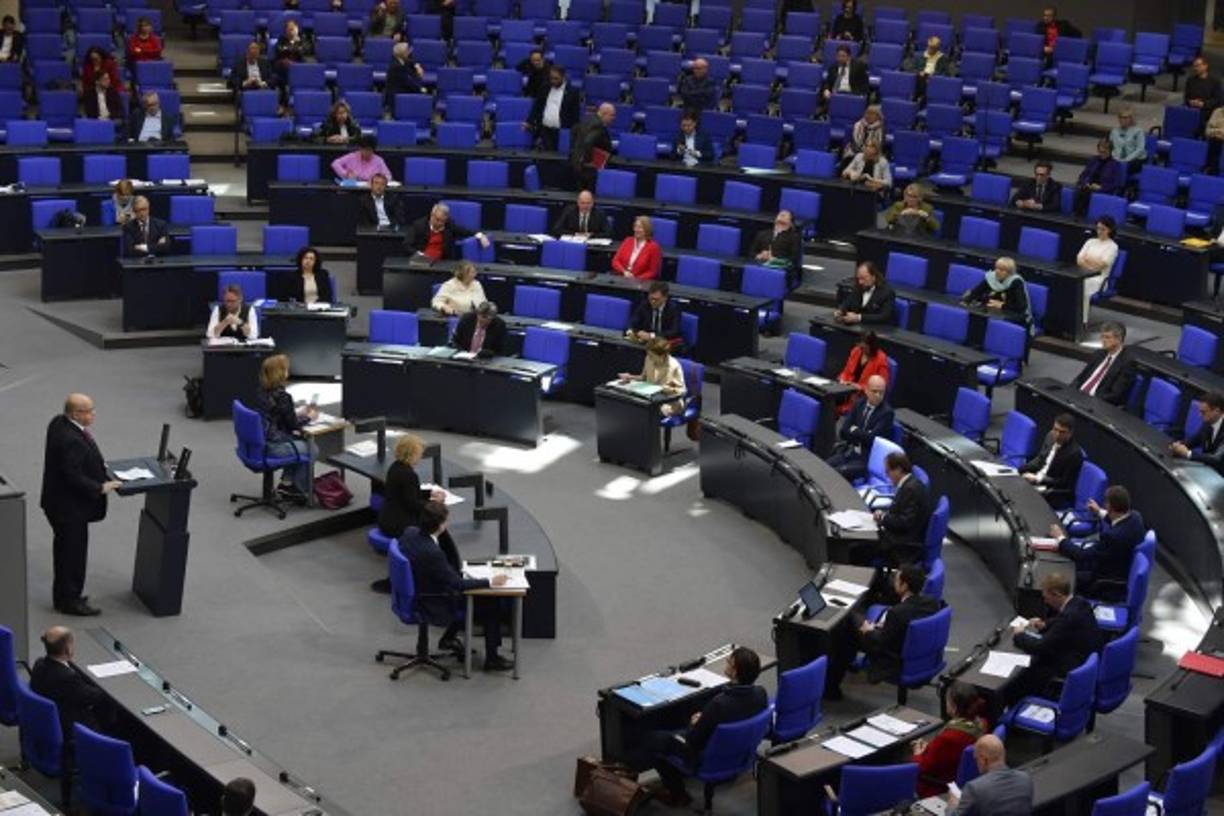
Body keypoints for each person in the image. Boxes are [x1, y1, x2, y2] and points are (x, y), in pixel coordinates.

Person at [628, 647, 768, 807]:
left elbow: (693, 741)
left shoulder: (719, 704)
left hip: (703, 757)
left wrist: (694, 722)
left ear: (735, 672)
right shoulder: (760, 693)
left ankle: (678, 794)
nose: (726, 663)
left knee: (652, 739)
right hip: (737, 753)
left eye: (729, 662)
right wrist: (706, 718)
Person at [403, 502, 514, 671]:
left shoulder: (410, 533)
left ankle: (448, 638)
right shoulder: (433, 553)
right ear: (440, 526)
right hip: (433, 600)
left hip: (419, 588)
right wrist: (490, 582)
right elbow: (457, 585)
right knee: (491, 602)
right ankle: (492, 659)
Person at [40, 394, 121, 616]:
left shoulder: (58, 422)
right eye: (89, 410)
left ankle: (65, 595)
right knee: (72, 555)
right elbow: (72, 475)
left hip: (56, 503)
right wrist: (99, 488)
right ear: (75, 414)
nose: (93, 414)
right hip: (69, 509)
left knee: (65, 551)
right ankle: (70, 601)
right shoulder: (71, 440)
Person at [826, 565, 938, 698]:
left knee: (848, 630)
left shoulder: (897, 613)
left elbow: (880, 644)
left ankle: (831, 687)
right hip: (916, 652)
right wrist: (882, 627)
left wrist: (869, 631)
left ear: (904, 585)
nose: (893, 583)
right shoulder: (931, 603)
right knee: (854, 620)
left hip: (892, 658)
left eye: (896, 580)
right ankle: (843, 671)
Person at [371, 433, 459, 593]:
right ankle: (444, 571)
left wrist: (430, 494)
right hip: (397, 523)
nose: (420, 457)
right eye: (418, 453)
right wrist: (434, 504)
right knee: (435, 527)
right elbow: (412, 504)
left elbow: (408, 493)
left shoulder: (396, 467)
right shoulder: (409, 474)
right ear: (410, 454)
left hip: (387, 517)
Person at [1007, 572, 1100, 705]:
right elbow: (1061, 620)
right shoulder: (1079, 602)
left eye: (1046, 598)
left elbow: (1040, 646)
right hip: (1086, 658)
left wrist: (1019, 635)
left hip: (1071, 665)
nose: (1045, 601)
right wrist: (1044, 624)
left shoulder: (1068, 618)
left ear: (1057, 595)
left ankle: (1014, 705)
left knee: (1024, 676)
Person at [1052, 485, 1144, 596]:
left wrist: (1060, 538)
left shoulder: (1112, 537)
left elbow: (1082, 556)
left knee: (1061, 578)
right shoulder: (1135, 517)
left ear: (1109, 506)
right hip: (1119, 567)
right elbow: (1118, 521)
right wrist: (1099, 511)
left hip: (1103, 582)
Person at [30, 627, 113, 734]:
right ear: (67, 649)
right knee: (109, 704)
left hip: (48, 719)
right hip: (71, 727)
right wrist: (107, 685)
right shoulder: (67, 678)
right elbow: (93, 696)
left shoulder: (39, 664)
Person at [255, 354, 316, 500]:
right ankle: (298, 490)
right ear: (281, 373)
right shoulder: (283, 397)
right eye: (286, 369)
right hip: (273, 445)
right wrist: (309, 417)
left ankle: (287, 483)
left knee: (297, 442)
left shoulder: (261, 391)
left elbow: (277, 416)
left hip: (261, 441)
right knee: (312, 449)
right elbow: (293, 426)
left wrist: (296, 413)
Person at [910, 683, 986, 797]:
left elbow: (922, 768)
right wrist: (931, 748)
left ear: (954, 707)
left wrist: (917, 753)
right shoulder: (982, 723)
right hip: (960, 773)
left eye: (947, 701)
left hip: (938, 786)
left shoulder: (949, 738)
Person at [867, 453, 932, 566]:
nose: (887, 476)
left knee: (859, 548)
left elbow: (905, 523)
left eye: (888, 472)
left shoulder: (910, 490)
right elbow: (901, 513)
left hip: (901, 546)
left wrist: (883, 518)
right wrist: (884, 515)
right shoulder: (909, 484)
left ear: (898, 469)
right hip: (899, 537)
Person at [827, 374, 893, 481]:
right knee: (825, 467)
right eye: (875, 391)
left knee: (836, 474)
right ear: (866, 390)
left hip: (865, 460)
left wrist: (855, 430)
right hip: (849, 452)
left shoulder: (887, 413)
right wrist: (862, 434)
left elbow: (872, 439)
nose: (878, 395)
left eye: (881, 393)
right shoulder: (859, 404)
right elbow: (843, 431)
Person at [950, 735, 1033, 816]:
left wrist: (953, 804)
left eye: (976, 759)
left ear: (983, 760)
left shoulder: (974, 787)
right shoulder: (1025, 779)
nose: (976, 763)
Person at [1020, 414, 1084, 507]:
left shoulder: (1074, 454)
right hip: (1037, 478)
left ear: (1070, 433)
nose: (1057, 435)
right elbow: (1040, 459)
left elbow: (1064, 483)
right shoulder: (1050, 436)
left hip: (1051, 491)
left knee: (1021, 497)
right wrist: (1020, 469)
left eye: (1062, 432)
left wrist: (1038, 479)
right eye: (1055, 429)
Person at [1069, 321, 1136, 405]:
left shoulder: (1127, 363)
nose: (1102, 340)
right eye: (1102, 337)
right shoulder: (1099, 353)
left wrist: (1089, 400)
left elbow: (1114, 395)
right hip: (1078, 396)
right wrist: (1069, 391)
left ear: (1118, 339)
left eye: (1107, 337)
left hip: (1096, 403)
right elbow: (1081, 377)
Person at [618, 338, 687, 416]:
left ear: (663, 356)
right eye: (648, 354)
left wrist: (664, 388)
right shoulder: (648, 359)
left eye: (651, 355)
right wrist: (630, 377)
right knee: (632, 406)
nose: (649, 357)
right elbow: (643, 378)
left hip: (670, 402)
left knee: (648, 413)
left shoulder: (674, 366)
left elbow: (681, 391)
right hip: (650, 398)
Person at [960, 258, 1032, 328]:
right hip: (994, 311)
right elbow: (977, 291)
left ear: (1010, 272)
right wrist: (967, 301)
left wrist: (1002, 305)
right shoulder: (992, 277)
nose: (997, 271)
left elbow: (1021, 307)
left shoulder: (1016, 282)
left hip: (1012, 314)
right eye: (996, 268)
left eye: (1002, 270)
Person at [404, 202, 489, 260]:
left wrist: (480, 235)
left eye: (443, 221)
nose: (440, 223)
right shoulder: (419, 225)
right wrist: (419, 255)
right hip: (422, 261)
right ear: (432, 216)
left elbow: (465, 231)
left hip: (442, 262)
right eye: (438, 220)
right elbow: (407, 245)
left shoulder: (449, 225)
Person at [526, 65, 580, 151]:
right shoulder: (544, 87)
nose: (553, 81)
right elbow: (537, 107)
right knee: (546, 158)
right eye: (551, 78)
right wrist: (529, 121)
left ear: (563, 77)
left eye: (556, 78)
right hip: (545, 130)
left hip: (561, 132)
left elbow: (575, 114)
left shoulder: (573, 92)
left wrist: (573, 133)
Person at [1076, 216, 1119, 322]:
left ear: (1110, 230)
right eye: (1098, 228)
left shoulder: (1113, 246)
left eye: (1103, 229)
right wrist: (1091, 263)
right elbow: (1079, 259)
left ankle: (1082, 321)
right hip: (1082, 274)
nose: (1099, 231)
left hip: (1099, 279)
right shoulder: (1090, 241)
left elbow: (1102, 265)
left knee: (1082, 286)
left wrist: (1087, 260)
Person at [835, 330, 890, 413]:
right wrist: (843, 380)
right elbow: (846, 372)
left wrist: (860, 387)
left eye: (864, 347)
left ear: (872, 346)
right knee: (828, 402)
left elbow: (881, 387)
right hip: (847, 391)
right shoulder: (856, 351)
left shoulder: (881, 360)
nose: (861, 349)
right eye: (860, 346)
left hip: (863, 398)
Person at [1170, 390, 1224, 472]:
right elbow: (1192, 441)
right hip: (1207, 470)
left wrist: (1188, 453)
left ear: (1217, 411)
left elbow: (1217, 459)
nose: (1200, 415)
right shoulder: (1208, 423)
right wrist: (1177, 446)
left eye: (1203, 412)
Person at [749, 210, 804, 287]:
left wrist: (775, 260)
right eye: (780, 214)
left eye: (784, 215)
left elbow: (794, 258)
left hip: (779, 269)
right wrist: (759, 255)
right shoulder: (762, 234)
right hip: (760, 265)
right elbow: (751, 252)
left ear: (791, 223)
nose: (781, 216)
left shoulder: (794, 238)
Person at [569, 103, 615, 192]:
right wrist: (589, 161)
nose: (614, 118)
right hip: (588, 170)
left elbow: (573, 131)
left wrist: (575, 150)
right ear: (604, 114)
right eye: (612, 115)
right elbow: (588, 142)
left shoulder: (588, 119)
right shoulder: (598, 126)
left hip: (577, 164)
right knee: (588, 196)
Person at [834, 261, 895, 325]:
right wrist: (841, 310)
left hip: (876, 329)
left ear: (873, 277)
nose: (860, 282)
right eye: (859, 278)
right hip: (857, 327)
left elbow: (883, 317)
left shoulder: (887, 292)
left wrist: (859, 317)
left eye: (863, 278)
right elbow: (848, 301)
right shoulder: (858, 287)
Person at [1073, 139, 1123, 215]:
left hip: (1103, 189)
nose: (1102, 154)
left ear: (1110, 151)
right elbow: (1083, 175)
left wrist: (1101, 187)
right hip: (1089, 186)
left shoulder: (1115, 165)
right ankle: (1077, 214)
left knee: (1085, 194)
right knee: (1082, 190)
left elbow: (1117, 183)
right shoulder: (1093, 160)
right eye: (1100, 151)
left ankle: (1078, 215)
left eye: (1104, 152)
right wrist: (1085, 182)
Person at [628, 281, 682, 347]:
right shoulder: (644, 305)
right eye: (651, 298)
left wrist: (652, 336)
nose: (652, 302)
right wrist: (639, 332)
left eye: (656, 299)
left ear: (665, 298)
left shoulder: (673, 308)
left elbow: (674, 331)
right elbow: (632, 323)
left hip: (664, 345)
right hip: (646, 343)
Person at [611, 216, 662, 280]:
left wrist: (636, 279)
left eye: (640, 227)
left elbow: (653, 271)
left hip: (640, 281)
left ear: (647, 230)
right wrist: (624, 272)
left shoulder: (654, 247)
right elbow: (615, 261)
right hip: (622, 277)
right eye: (635, 226)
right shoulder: (627, 240)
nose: (636, 229)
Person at [272, 19, 312, 99]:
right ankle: (284, 100)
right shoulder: (281, 39)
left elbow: (305, 50)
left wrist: (292, 47)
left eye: (292, 29)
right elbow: (279, 50)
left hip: (298, 66)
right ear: (285, 30)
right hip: (284, 67)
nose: (290, 31)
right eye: (288, 29)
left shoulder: (302, 39)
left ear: (296, 29)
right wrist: (294, 49)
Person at [1185, 57, 1222, 130]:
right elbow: (1186, 97)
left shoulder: (1215, 81)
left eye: (1198, 66)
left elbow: (1218, 100)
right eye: (1194, 66)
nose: (1196, 68)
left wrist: (1204, 104)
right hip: (1193, 108)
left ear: (1205, 66)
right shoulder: (1191, 80)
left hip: (1208, 110)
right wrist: (1190, 102)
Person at [383, 41, 424, 106]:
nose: (409, 53)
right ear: (403, 53)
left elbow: (412, 62)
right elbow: (409, 83)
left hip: (403, 92)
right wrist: (422, 89)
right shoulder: (397, 66)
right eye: (407, 51)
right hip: (397, 98)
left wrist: (417, 66)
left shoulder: (402, 60)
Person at [1108, 108, 1146, 177]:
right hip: (1118, 158)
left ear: (1131, 119)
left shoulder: (1138, 131)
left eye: (1125, 118)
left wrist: (1126, 159)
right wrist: (1116, 157)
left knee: (1121, 167)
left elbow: (1140, 149)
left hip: (1135, 159)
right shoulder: (1114, 131)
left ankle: (1118, 186)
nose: (1122, 120)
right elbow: (1111, 147)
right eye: (1120, 117)